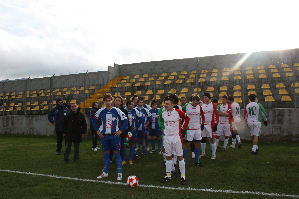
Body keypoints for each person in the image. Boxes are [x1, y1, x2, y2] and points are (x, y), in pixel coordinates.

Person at [95, 94, 128, 181]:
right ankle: (105, 172)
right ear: (104, 102)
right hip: (104, 136)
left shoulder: (117, 110)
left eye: (109, 100)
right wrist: (97, 130)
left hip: (115, 136)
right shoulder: (100, 111)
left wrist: (121, 130)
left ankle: (119, 173)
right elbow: (93, 119)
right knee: (106, 154)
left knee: (117, 154)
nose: (108, 102)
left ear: (111, 101)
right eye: (106, 100)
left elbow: (125, 121)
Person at [159, 95, 190, 185]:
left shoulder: (178, 112)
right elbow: (160, 120)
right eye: (165, 104)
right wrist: (163, 129)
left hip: (176, 137)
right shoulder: (163, 113)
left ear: (172, 105)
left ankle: (183, 176)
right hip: (167, 138)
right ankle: (168, 176)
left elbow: (187, 118)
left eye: (167, 104)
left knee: (180, 157)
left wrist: (183, 128)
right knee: (168, 157)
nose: (165, 105)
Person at [182, 96, 205, 166]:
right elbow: (182, 116)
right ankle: (183, 162)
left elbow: (203, 115)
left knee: (197, 143)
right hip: (189, 128)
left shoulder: (199, 106)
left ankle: (197, 161)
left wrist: (202, 123)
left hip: (197, 128)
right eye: (195, 102)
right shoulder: (186, 106)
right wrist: (183, 127)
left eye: (197, 102)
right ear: (192, 100)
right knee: (187, 144)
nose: (196, 103)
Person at [201, 93, 219, 160]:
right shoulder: (202, 105)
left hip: (211, 125)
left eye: (206, 97)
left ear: (209, 98)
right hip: (204, 124)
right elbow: (201, 116)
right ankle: (203, 153)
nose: (205, 98)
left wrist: (216, 124)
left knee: (212, 139)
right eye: (204, 97)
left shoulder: (213, 105)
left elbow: (216, 115)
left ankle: (214, 154)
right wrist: (201, 123)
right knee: (203, 138)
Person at [114, 96, 129, 165]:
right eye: (116, 100)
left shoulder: (124, 111)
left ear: (121, 103)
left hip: (122, 132)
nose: (117, 102)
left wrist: (121, 130)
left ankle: (123, 159)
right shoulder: (110, 110)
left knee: (122, 146)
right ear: (114, 101)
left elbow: (126, 123)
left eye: (119, 101)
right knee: (114, 146)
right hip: (113, 132)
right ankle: (114, 159)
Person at [126, 100, 140, 165]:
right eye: (131, 104)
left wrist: (136, 126)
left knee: (133, 144)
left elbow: (139, 119)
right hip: (126, 131)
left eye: (133, 104)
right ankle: (124, 159)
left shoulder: (135, 111)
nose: (133, 105)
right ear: (128, 105)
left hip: (133, 131)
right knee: (125, 144)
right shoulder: (124, 111)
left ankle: (131, 159)